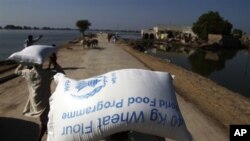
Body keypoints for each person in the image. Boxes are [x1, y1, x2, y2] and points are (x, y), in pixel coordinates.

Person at [15, 63, 64, 141]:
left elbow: (16, 71)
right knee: (45, 122)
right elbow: (62, 74)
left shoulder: (27, 72)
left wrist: (22, 63)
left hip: (34, 103)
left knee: (45, 120)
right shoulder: (47, 73)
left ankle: (47, 131)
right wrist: (55, 63)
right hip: (45, 102)